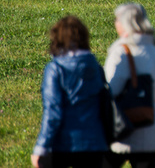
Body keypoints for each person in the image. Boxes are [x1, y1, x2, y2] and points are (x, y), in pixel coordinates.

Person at [31, 15, 108, 168]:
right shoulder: (95, 67)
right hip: (95, 143)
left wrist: (41, 145)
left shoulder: (56, 70)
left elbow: (53, 112)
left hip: (63, 144)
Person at [103, 3, 155, 168]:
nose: (115, 23)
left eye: (117, 19)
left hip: (122, 130)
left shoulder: (122, 51)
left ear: (125, 23)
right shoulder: (153, 51)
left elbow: (110, 91)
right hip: (151, 130)